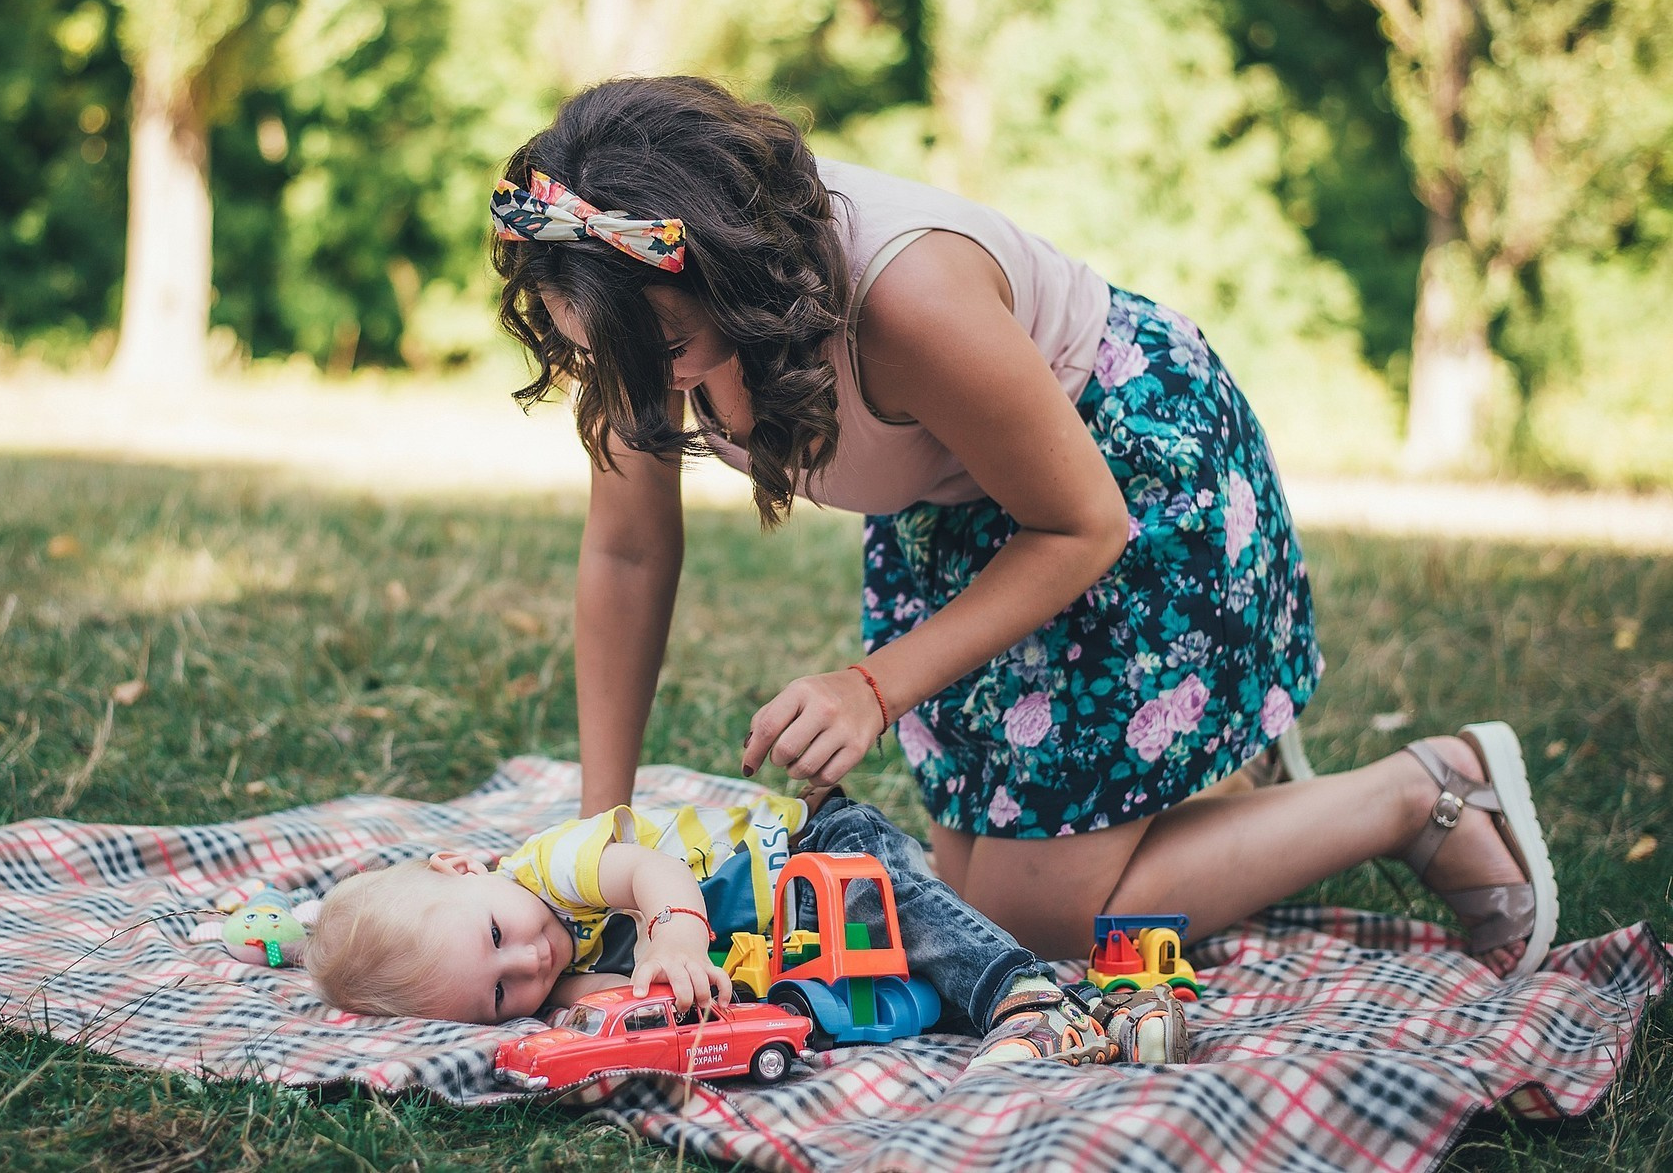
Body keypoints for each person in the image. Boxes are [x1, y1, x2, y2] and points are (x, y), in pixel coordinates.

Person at [488, 75, 1557, 979]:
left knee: (1038, 927)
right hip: (960, 508)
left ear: (733, 275)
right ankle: (1219, 778)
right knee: (960, 893)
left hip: (1125, 485)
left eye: (658, 353)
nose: (628, 384)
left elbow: (1081, 526)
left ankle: (1424, 791)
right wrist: (601, 843)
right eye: (589, 349)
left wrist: (869, 687)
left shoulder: (904, 298)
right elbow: (628, 553)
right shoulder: (630, 306)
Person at [305, 786, 1187, 1067]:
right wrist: (590, 1009)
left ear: (466, 870)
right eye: (501, 992)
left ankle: (1023, 992)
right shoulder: (543, 973)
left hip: (815, 846)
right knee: (906, 981)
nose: (531, 957)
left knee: (896, 910)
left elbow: (647, 872)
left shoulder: (548, 867)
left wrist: (675, 936)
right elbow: (617, 1002)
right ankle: (1113, 1013)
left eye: (500, 935)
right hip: (796, 937)